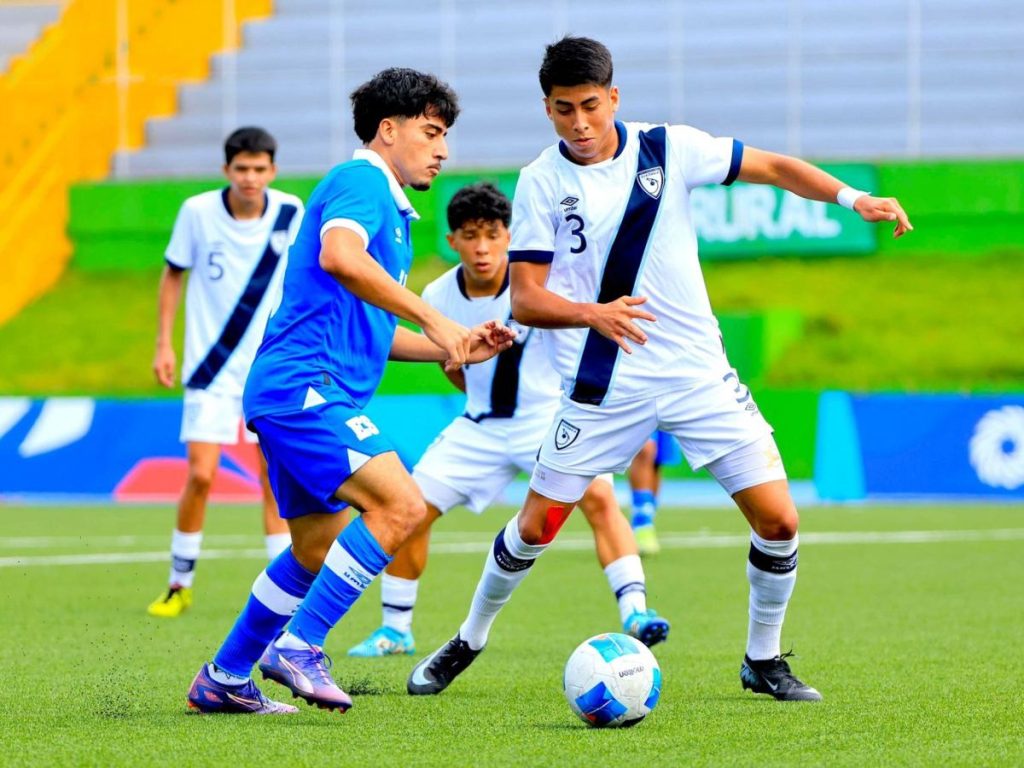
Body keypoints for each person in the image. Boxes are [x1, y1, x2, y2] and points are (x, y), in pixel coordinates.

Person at [409, 36, 912, 702]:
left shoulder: (670, 148)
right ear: (548, 108)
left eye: (590, 106)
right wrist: (595, 315)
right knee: (534, 529)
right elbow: (527, 296)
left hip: (697, 376)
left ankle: (763, 660)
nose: (580, 124)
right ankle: (468, 639)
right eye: (564, 110)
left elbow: (773, 167)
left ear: (613, 98)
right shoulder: (539, 181)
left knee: (781, 522)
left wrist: (852, 199)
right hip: (599, 383)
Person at [186, 67, 515, 716]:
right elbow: (340, 256)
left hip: (298, 390)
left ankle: (224, 676)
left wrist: (453, 343)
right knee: (402, 506)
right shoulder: (362, 181)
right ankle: (300, 644)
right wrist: (435, 316)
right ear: (388, 130)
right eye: (431, 132)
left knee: (312, 547)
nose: (442, 149)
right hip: (308, 388)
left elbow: (372, 328)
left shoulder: (387, 209)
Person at [346, 183, 668, 659]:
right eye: (470, 235)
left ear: (509, 235)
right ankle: (396, 629)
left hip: (544, 421)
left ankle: (636, 611)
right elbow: (449, 363)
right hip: (479, 428)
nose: (482, 247)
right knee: (410, 510)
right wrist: (472, 382)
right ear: (452, 240)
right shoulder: (437, 293)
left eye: (493, 235)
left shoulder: (538, 285)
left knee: (599, 496)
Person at [148, 127, 302, 618]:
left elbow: (304, 283)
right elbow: (173, 274)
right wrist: (163, 344)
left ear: (272, 171)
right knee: (200, 474)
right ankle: (179, 583)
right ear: (226, 171)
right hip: (209, 367)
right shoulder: (196, 213)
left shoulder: (290, 213)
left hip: (267, 368)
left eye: (260, 169)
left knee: (271, 480)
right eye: (242, 168)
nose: (251, 177)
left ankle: (282, 597)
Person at [627, 431, 682, 555]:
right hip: (634, 411)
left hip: (667, 412)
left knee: (657, 459)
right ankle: (642, 524)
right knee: (644, 449)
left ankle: (647, 521)